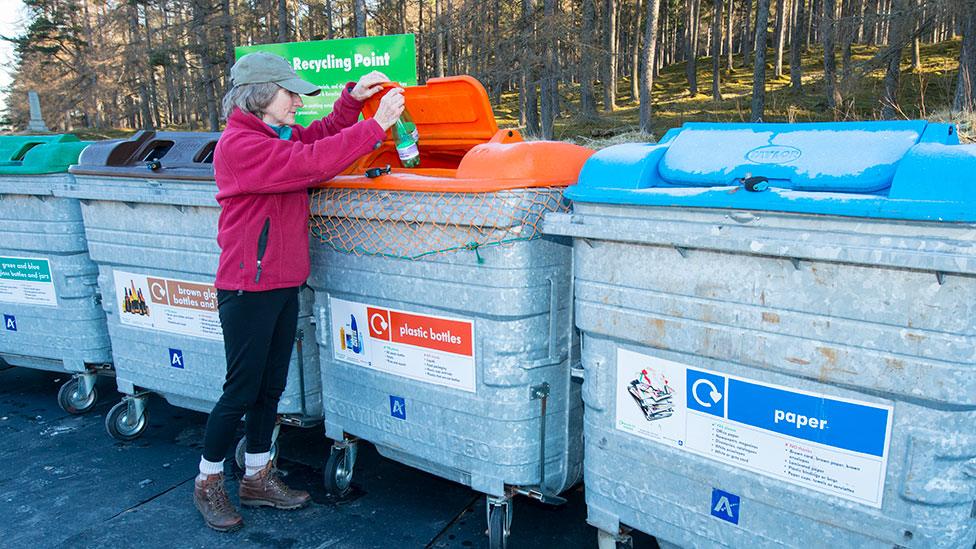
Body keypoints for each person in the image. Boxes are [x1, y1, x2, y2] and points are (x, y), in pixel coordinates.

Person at [194, 51, 405, 532]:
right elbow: (311, 162)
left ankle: (256, 476)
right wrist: (377, 127)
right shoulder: (240, 145)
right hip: (248, 287)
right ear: (262, 95)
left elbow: (314, 139)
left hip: (281, 281)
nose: (297, 104)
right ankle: (208, 482)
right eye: (290, 94)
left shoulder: (271, 136)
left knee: (271, 387)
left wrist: (352, 100)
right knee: (241, 390)